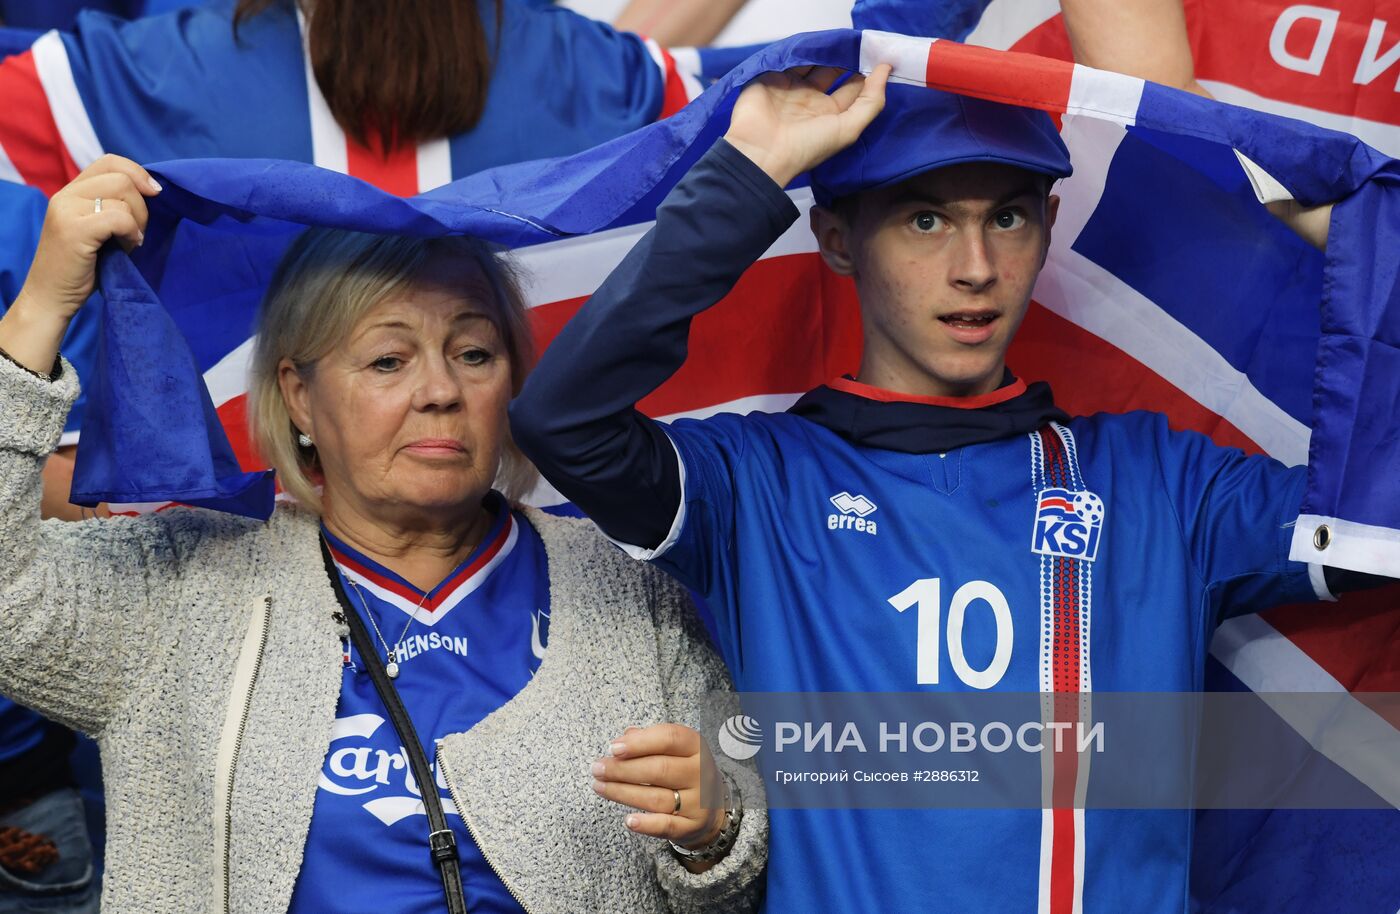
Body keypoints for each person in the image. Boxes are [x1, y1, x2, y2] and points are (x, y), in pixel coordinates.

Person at [509, 63, 1386, 911]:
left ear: (1048, 224)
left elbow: (1377, 521)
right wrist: (750, 174)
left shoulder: (1162, 485)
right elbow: (563, 420)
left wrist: (1372, 257)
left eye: (1005, 218)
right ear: (838, 238)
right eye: (925, 221)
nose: (975, 266)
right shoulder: (755, 485)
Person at [0, 155, 767, 914]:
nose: (440, 391)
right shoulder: (179, 585)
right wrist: (39, 308)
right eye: (388, 360)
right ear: (298, 396)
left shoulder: (632, 586)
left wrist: (714, 834)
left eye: (474, 353)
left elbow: (748, 868)